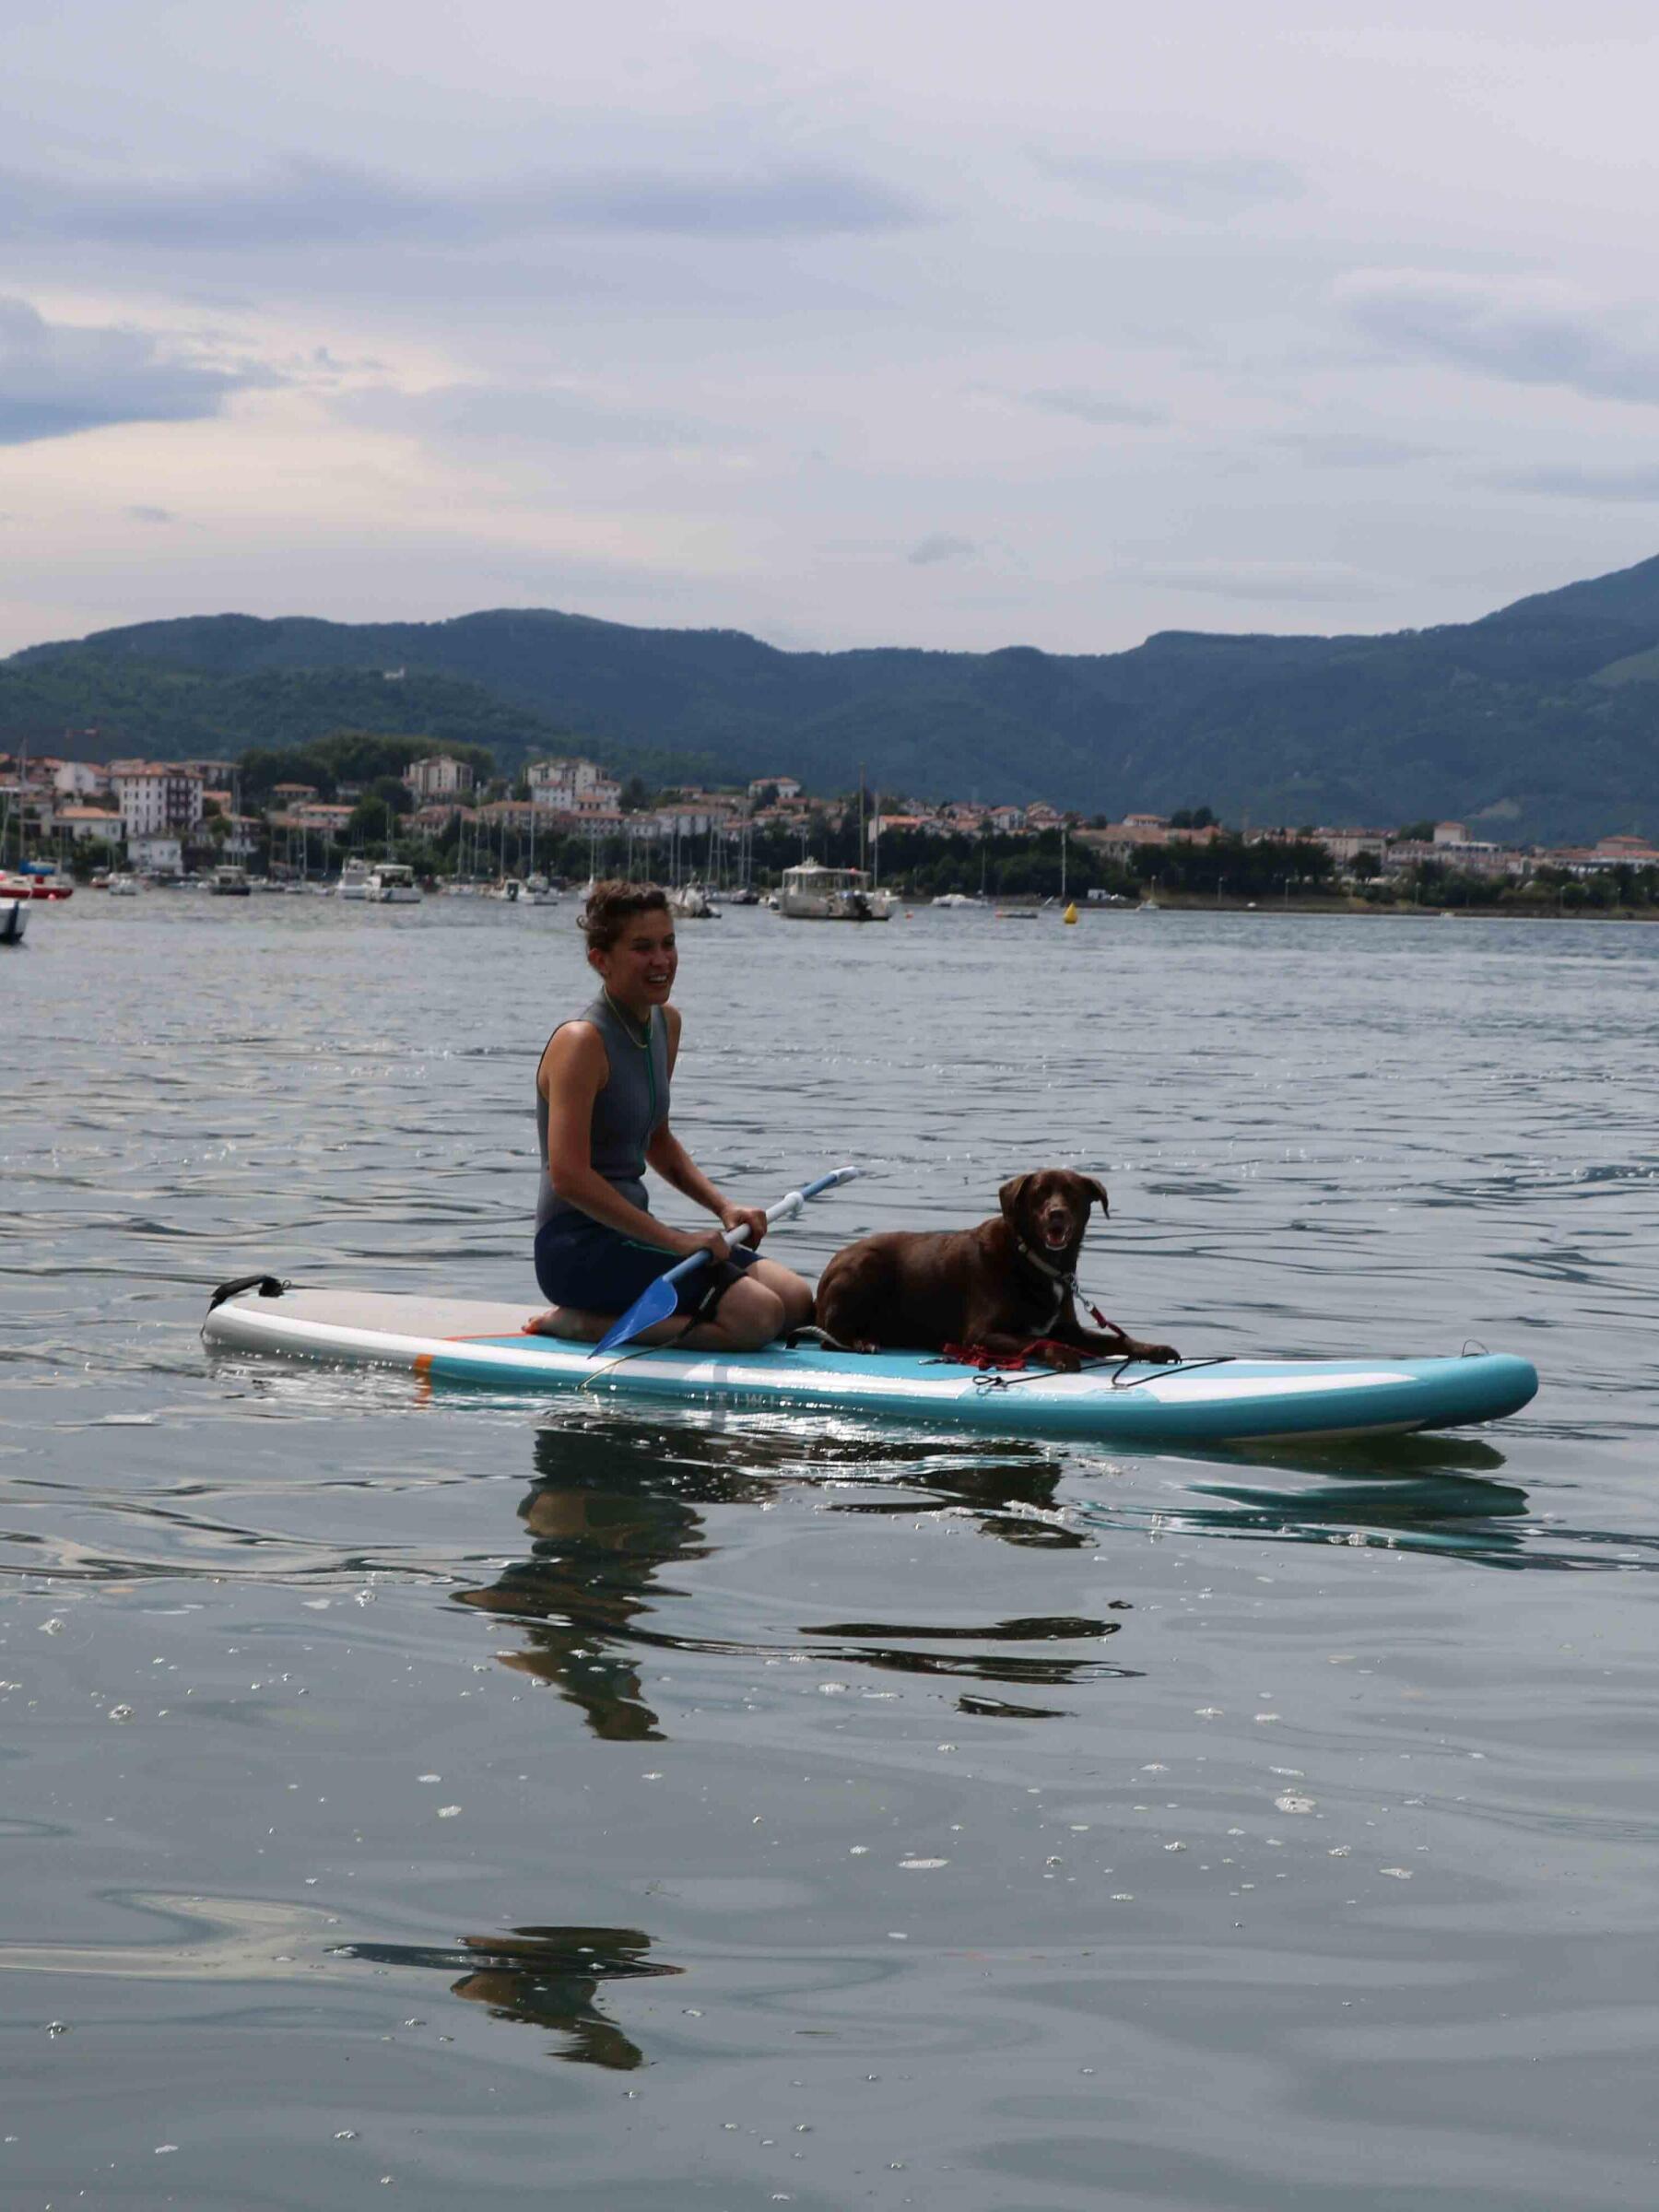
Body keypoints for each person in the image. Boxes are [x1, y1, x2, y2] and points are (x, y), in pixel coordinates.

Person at [525, 881, 814, 1349]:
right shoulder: (580, 1043)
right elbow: (568, 1178)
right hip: (576, 1250)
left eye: (668, 943)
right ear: (601, 960)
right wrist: (675, 1241)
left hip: (634, 1236)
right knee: (759, 1316)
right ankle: (584, 1324)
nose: (661, 960)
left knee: (796, 1301)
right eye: (642, 948)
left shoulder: (664, 1024)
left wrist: (722, 1207)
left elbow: (656, 1139)